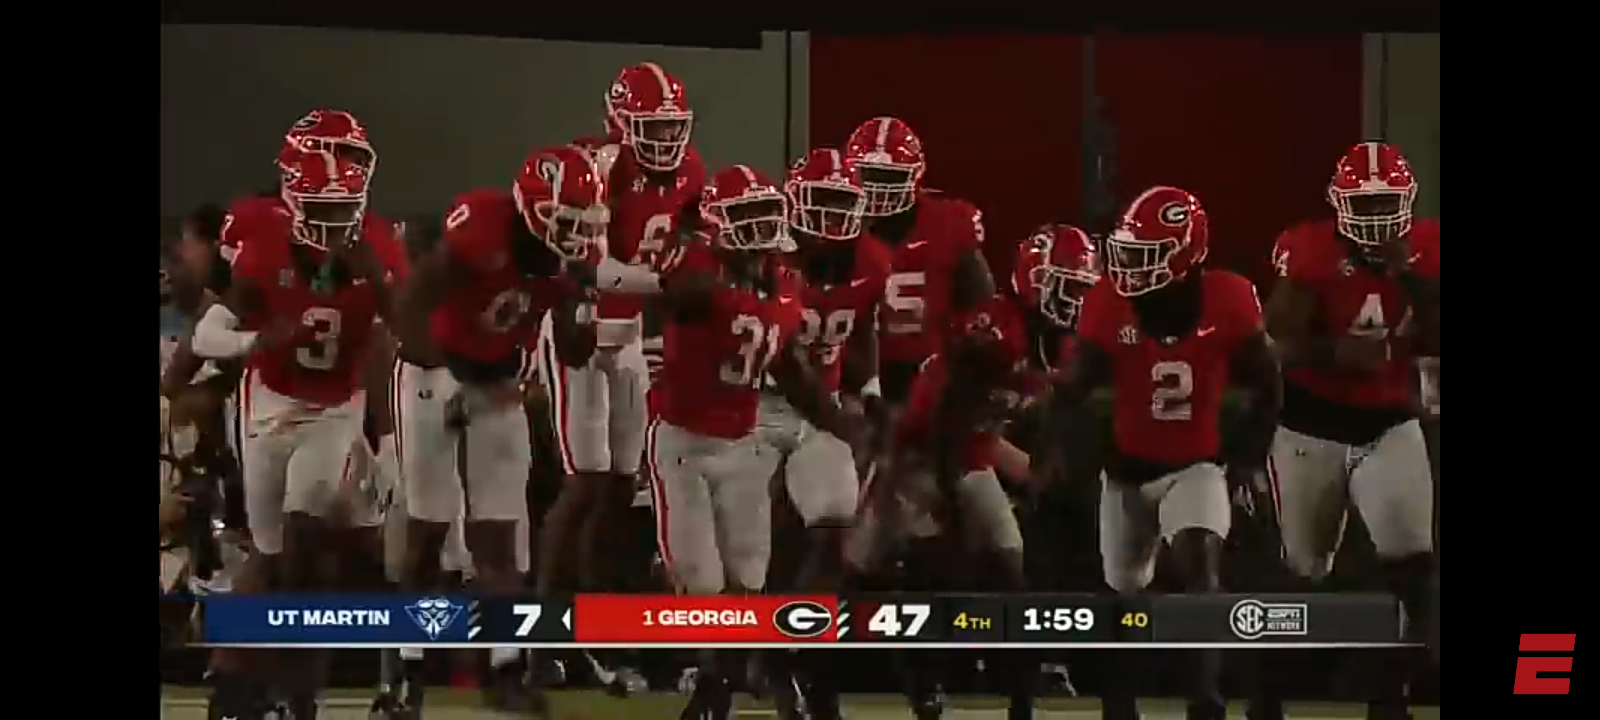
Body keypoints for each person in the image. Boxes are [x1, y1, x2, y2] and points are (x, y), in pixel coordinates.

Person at [192, 107, 405, 720]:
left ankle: (297, 689)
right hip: (266, 402)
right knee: (272, 554)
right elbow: (212, 329)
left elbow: (397, 344)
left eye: (348, 210)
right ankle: (237, 683)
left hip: (336, 408)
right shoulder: (259, 241)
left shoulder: (378, 246)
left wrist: (387, 439)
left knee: (307, 533)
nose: (338, 225)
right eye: (325, 212)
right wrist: (252, 343)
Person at [1040, 186, 1280, 720]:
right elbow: (1076, 389)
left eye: (1146, 253)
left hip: (1196, 465)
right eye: (1127, 251)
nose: (1130, 265)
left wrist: (1248, 460)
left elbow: (1268, 383)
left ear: (1186, 254)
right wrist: (1061, 445)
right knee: (1125, 592)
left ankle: (1206, 699)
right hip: (1124, 471)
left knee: (1201, 564)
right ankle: (1119, 704)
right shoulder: (1106, 300)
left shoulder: (1230, 298)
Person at [391, 143, 598, 715]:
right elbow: (409, 307)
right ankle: (407, 668)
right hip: (433, 370)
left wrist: (585, 310)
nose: (577, 234)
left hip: (500, 381)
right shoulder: (481, 230)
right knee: (430, 531)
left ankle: (505, 667)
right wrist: (447, 377)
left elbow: (577, 352)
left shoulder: (567, 263)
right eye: (567, 220)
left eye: (584, 222)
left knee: (499, 537)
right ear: (531, 209)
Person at [533, 64, 705, 696]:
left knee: (620, 494)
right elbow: (577, 265)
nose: (663, 141)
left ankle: (602, 634)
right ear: (619, 124)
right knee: (584, 485)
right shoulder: (593, 166)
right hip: (583, 328)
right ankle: (545, 639)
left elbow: (687, 254)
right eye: (650, 127)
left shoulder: (691, 174)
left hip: (632, 335)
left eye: (671, 127)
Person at [1254, 142, 1440, 720]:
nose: (1378, 215)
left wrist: (1410, 279)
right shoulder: (1311, 251)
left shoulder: (1429, 250)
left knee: (1412, 560)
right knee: (1305, 567)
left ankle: (1393, 696)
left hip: (1389, 421)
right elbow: (1275, 342)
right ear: (1339, 205)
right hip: (1312, 426)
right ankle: (1267, 696)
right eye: (1366, 202)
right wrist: (1333, 353)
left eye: (1387, 201)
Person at [842, 117, 996, 404]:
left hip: (927, 376)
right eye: (870, 176)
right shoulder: (834, 227)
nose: (878, 189)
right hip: (853, 377)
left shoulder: (946, 227)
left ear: (915, 176)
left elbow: (982, 307)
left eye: (889, 178)